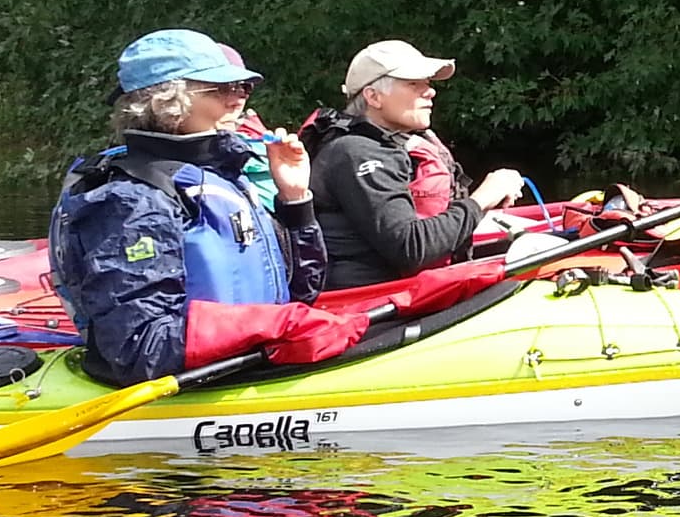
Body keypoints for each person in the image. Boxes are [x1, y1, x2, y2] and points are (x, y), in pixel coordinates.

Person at [50, 29, 337, 385]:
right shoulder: (133, 199)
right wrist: (269, 325)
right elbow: (141, 349)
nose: (237, 100)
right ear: (165, 101)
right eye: (220, 89)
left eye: (243, 88)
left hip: (248, 366)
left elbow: (299, 297)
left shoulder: (223, 176)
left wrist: (295, 199)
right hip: (194, 385)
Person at [306, 40, 530, 291]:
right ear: (374, 97)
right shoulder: (356, 153)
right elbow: (411, 248)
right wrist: (482, 199)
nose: (430, 92)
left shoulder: (392, 144)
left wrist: (483, 206)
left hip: (409, 292)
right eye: (414, 84)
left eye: (428, 83)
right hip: (373, 303)